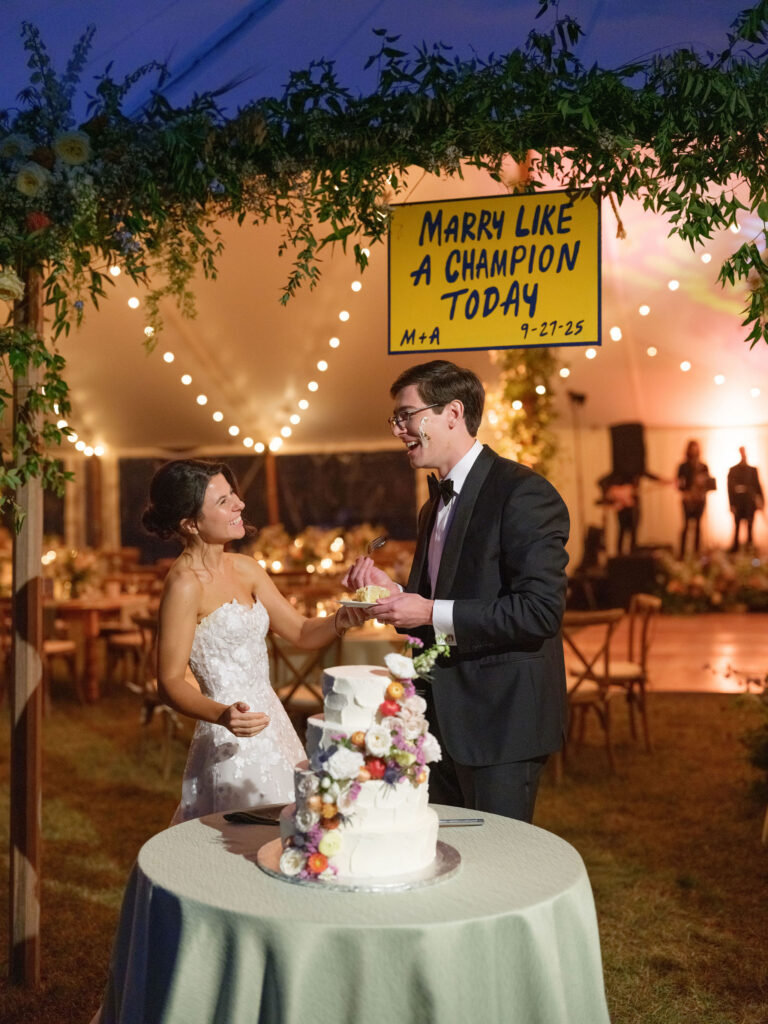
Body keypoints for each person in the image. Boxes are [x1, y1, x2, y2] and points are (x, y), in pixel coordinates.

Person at [343, 359, 569, 823]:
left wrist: (426, 610)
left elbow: (539, 612)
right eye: (396, 419)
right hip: (439, 720)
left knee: (498, 867)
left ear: (452, 412)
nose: (398, 429)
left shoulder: (523, 493)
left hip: (502, 721)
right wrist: (395, 592)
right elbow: (441, 603)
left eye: (407, 415)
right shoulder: (433, 507)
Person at [142, 459, 365, 823]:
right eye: (223, 502)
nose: (239, 505)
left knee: (293, 830)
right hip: (230, 738)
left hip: (274, 724)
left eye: (234, 496)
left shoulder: (246, 568)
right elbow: (168, 682)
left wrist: (345, 617)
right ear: (190, 523)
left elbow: (302, 632)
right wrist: (223, 715)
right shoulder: (184, 585)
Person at [676, 440, 714, 559]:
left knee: (698, 527)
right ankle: (682, 554)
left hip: (699, 500)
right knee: (686, 526)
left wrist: (703, 482)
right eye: (693, 448)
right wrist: (685, 492)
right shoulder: (683, 466)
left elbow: (709, 484)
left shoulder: (703, 466)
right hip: (687, 500)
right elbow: (678, 483)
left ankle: (696, 554)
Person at [727, 446, 764, 552]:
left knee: (750, 526)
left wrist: (761, 502)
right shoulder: (733, 470)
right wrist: (731, 503)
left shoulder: (752, 470)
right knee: (737, 526)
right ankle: (736, 548)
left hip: (749, 503)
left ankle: (750, 547)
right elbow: (730, 489)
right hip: (738, 503)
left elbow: (758, 486)